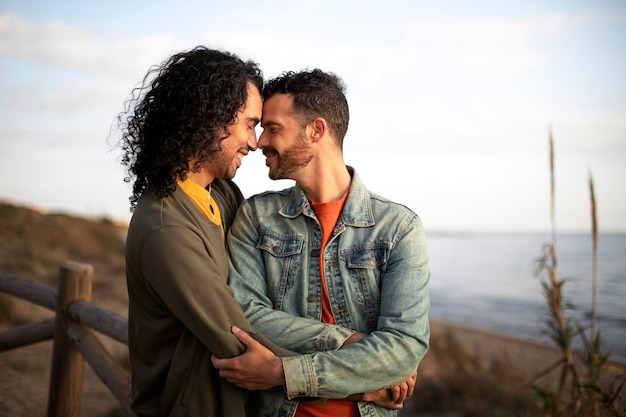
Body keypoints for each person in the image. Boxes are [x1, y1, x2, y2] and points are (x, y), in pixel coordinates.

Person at [212, 69, 430, 417]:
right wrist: (344, 341)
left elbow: (404, 347)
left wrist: (283, 374)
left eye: (273, 128)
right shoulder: (255, 216)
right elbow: (245, 315)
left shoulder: (398, 229)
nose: (259, 142)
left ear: (316, 130)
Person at [117, 45, 296, 417]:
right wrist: (353, 379)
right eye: (249, 124)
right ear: (211, 117)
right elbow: (239, 338)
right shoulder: (165, 227)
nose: (253, 142)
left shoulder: (223, 194)